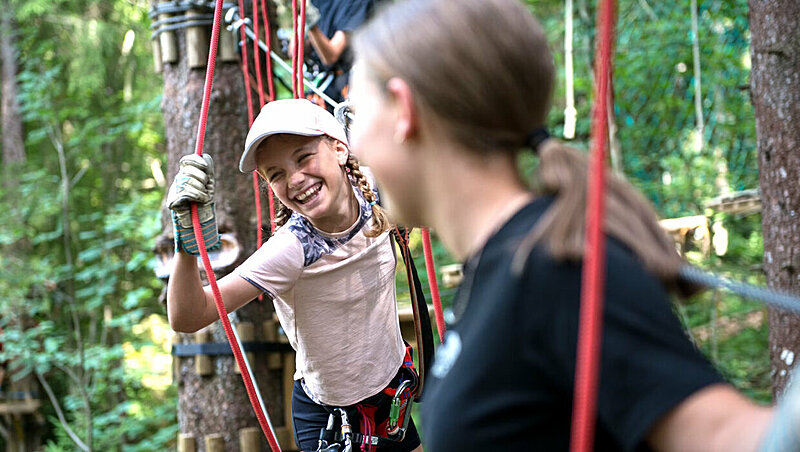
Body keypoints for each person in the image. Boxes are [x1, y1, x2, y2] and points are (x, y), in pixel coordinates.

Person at [343, 0, 789, 450]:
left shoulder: (554, 269)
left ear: (403, 108)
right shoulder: (504, 267)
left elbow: (730, 438)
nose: (353, 146)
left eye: (355, 113)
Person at [166, 98, 423, 452]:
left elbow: (441, 196)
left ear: (339, 148)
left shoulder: (377, 193)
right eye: (277, 174)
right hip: (332, 420)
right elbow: (188, 316)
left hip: (391, 392)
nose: (296, 179)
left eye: (304, 157)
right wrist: (186, 245)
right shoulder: (291, 250)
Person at [301, 0, 379, 108]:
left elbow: (330, 56)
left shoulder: (358, 3)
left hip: (350, 81)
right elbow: (294, 51)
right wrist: (299, 13)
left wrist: (310, 22)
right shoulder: (318, 2)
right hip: (324, 81)